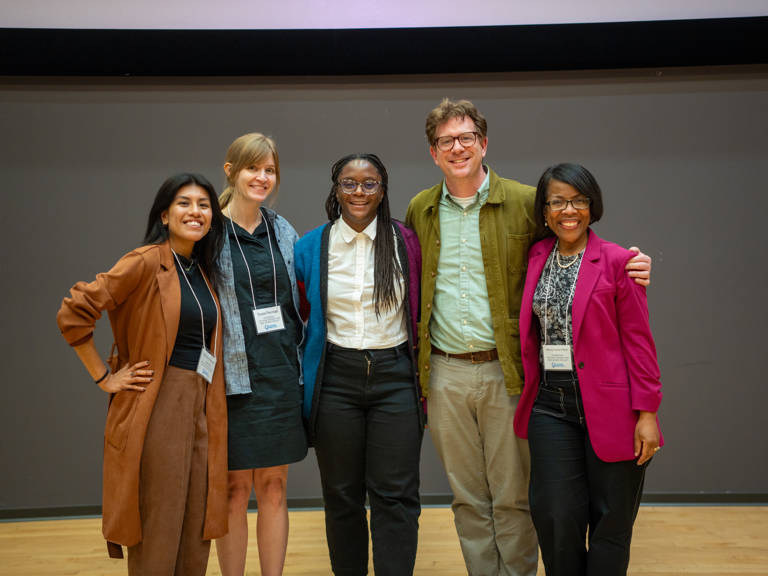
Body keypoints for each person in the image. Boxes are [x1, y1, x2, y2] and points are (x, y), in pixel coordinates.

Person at [405, 99, 652, 576]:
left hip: (508, 373)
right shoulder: (422, 209)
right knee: (468, 498)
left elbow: (575, 236)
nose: (458, 148)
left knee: (515, 497)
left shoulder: (522, 201)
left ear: (484, 143)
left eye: (467, 138)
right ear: (433, 152)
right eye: (446, 141)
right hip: (445, 373)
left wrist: (631, 264)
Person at [56, 173, 228, 575]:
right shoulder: (146, 260)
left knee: (195, 523)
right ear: (165, 214)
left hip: (201, 404)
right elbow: (74, 311)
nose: (196, 212)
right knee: (160, 524)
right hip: (159, 405)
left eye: (204, 205)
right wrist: (104, 376)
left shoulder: (201, 270)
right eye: (185, 203)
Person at [513, 162, 663, 575]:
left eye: (578, 200)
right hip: (549, 405)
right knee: (555, 518)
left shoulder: (618, 261)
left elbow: (639, 342)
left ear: (592, 205)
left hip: (611, 407)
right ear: (544, 210)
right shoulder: (536, 255)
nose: (569, 210)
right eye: (558, 201)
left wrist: (647, 413)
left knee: (611, 523)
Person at [295, 153, 423, 576]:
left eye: (369, 184)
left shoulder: (406, 241)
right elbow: (300, 313)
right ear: (336, 189)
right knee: (342, 494)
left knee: (396, 495)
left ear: (383, 190)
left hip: (395, 378)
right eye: (349, 183)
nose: (359, 192)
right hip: (336, 381)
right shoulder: (311, 246)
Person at [214, 133, 308, 576]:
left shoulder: (283, 229)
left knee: (273, 487)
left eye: (270, 170)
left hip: (280, 375)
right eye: (253, 168)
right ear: (231, 171)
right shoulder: (208, 232)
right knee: (233, 490)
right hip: (231, 380)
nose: (262, 177)